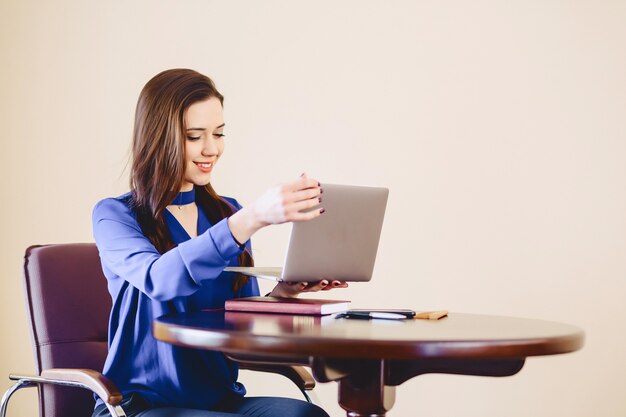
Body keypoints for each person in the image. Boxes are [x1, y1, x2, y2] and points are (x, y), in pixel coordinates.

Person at [92, 68, 347, 417]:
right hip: (140, 406)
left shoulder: (226, 212)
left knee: (304, 415)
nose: (211, 149)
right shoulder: (115, 216)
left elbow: (240, 327)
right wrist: (252, 218)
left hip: (218, 402)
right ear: (157, 137)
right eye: (195, 136)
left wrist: (282, 295)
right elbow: (160, 280)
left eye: (219, 133)